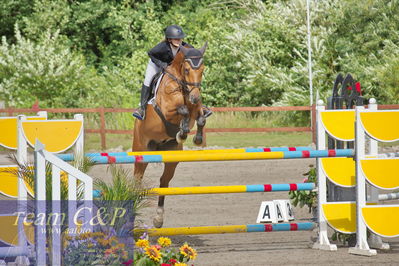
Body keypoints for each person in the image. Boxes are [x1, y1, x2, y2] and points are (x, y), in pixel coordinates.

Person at [133, 25, 212, 120]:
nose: (179, 41)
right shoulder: (162, 47)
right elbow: (151, 54)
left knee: (191, 81)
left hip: (173, 68)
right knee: (148, 79)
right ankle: (142, 108)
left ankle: (201, 107)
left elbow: (192, 56)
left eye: (180, 38)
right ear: (169, 39)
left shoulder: (186, 47)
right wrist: (163, 65)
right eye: (176, 39)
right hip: (157, 64)